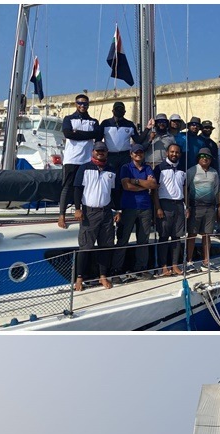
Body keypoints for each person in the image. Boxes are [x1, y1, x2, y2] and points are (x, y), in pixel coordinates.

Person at [72, 141, 119, 290]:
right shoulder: (84, 168)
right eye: (98, 150)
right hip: (89, 212)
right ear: (93, 152)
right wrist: (77, 209)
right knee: (86, 246)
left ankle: (102, 276)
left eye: (103, 150)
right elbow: (77, 189)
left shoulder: (111, 170)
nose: (100, 153)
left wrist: (118, 210)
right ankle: (79, 278)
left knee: (106, 245)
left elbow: (115, 193)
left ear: (107, 153)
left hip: (106, 212)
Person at [59, 94, 103, 229]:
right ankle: (62, 215)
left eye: (85, 103)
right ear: (76, 104)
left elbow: (98, 136)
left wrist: (77, 133)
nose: (82, 105)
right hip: (71, 159)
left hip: (87, 159)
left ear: (88, 105)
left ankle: (83, 212)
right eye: (80, 103)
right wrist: (88, 135)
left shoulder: (93, 121)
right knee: (67, 187)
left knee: (85, 187)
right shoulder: (68, 119)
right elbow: (68, 134)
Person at [116, 144, 156, 280]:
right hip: (129, 207)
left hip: (145, 207)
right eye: (136, 152)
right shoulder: (126, 167)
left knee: (143, 240)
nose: (138, 154)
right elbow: (126, 186)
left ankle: (141, 268)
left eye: (140, 152)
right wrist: (144, 185)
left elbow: (153, 185)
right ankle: (116, 270)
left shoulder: (148, 168)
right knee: (123, 239)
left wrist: (136, 181)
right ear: (131, 154)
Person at [153, 143, 186, 276]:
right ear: (167, 153)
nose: (174, 154)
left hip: (179, 204)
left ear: (180, 154)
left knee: (177, 237)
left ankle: (175, 265)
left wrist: (187, 206)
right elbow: (154, 190)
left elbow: (185, 188)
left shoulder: (182, 168)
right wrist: (158, 208)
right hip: (164, 204)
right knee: (164, 236)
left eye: (177, 152)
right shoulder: (159, 168)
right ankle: (163, 266)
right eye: (172, 152)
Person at [186, 149, 220, 271]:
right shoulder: (191, 171)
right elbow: (186, 189)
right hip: (195, 207)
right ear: (198, 158)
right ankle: (189, 262)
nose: (205, 158)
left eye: (207, 157)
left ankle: (206, 261)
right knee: (192, 235)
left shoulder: (214, 173)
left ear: (210, 159)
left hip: (210, 208)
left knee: (207, 234)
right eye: (202, 156)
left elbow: (216, 189)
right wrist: (187, 206)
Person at [101, 101, 141, 184]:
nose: (119, 111)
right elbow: (98, 139)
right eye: (117, 109)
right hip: (110, 157)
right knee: (111, 180)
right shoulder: (105, 123)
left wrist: (147, 129)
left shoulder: (130, 124)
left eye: (121, 109)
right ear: (113, 111)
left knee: (125, 180)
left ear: (124, 112)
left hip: (125, 157)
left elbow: (138, 140)